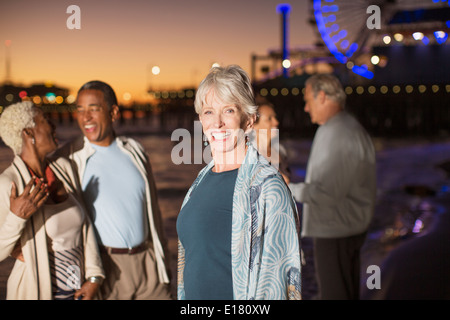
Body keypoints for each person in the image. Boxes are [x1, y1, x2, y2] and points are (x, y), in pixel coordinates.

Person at [176, 65, 301, 300]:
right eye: (209, 112)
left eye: (229, 110)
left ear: (249, 120)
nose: (218, 123)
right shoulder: (199, 183)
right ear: (200, 118)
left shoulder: (268, 187)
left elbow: (282, 283)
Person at [53, 81, 172, 300]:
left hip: (148, 265)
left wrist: (161, 261)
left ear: (113, 112)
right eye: (80, 110)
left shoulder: (134, 150)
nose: (85, 117)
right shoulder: (67, 158)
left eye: (93, 109)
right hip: (107, 269)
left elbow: (152, 210)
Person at [0, 101, 104, 300]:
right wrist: (16, 218)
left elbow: (86, 225)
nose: (53, 125)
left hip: (78, 292)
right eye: (45, 120)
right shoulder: (8, 183)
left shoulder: (63, 168)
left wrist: (94, 276)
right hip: (37, 292)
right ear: (28, 133)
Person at [288, 74, 376, 300]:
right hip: (347, 226)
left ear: (323, 97)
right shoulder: (345, 127)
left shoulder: (338, 133)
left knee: (334, 294)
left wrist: (289, 189)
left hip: (336, 229)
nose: (306, 108)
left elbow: (327, 193)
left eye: (308, 100)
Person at [251, 102, 291, 182]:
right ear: (254, 125)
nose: (276, 122)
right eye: (269, 119)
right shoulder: (249, 155)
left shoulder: (281, 149)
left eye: (275, 117)